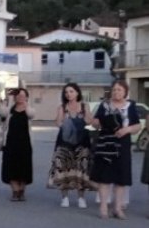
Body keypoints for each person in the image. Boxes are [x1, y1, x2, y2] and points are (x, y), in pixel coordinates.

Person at [90, 80, 141, 219]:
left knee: (121, 178)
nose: (116, 92)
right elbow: (95, 123)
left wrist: (126, 130)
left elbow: (137, 126)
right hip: (106, 143)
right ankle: (103, 207)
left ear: (125, 92)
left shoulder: (131, 106)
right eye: (114, 90)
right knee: (105, 177)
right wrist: (96, 122)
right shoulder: (104, 105)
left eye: (119, 90)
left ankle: (117, 208)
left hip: (123, 144)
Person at [48, 83, 93, 209]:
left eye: (71, 91)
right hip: (64, 141)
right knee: (63, 167)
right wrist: (63, 120)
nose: (69, 94)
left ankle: (81, 198)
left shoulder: (84, 106)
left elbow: (90, 120)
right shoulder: (62, 107)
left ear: (77, 93)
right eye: (66, 92)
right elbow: (58, 123)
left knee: (81, 168)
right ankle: (65, 197)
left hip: (82, 141)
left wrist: (87, 116)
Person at [0, 88, 34, 202]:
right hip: (10, 143)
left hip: (25, 144)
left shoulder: (29, 109)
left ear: (27, 97)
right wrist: (7, 99)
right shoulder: (10, 109)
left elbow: (31, 114)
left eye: (23, 95)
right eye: (18, 95)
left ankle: (22, 190)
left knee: (24, 168)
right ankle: (15, 191)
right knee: (10, 167)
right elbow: (2, 113)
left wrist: (26, 104)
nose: (20, 97)